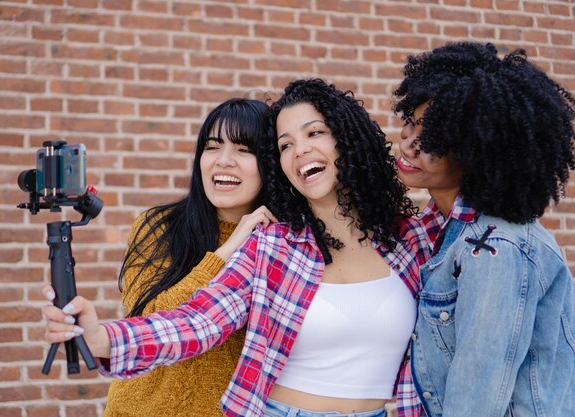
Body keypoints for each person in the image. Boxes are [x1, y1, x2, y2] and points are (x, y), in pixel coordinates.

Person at [43, 79, 443, 417]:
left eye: (314, 133)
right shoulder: (274, 245)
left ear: (347, 140)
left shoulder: (411, 239)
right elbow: (197, 322)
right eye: (285, 144)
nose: (300, 149)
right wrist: (102, 339)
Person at [392, 42, 575, 416]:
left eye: (433, 137)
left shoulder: (495, 246)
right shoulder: (440, 231)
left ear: (477, 150)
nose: (409, 145)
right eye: (411, 122)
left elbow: (475, 398)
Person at [66, 97, 276, 417]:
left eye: (244, 150)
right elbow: (151, 318)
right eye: (212, 146)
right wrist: (225, 252)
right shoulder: (159, 228)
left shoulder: (279, 245)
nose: (223, 161)